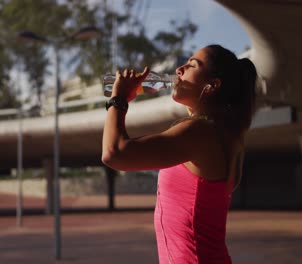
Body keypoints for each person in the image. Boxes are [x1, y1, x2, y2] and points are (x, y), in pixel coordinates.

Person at [102, 44, 257, 264]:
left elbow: (114, 153)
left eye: (192, 65)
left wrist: (117, 99)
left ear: (212, 85)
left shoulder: (200, 133)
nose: (179, 69)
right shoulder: (222, 134)